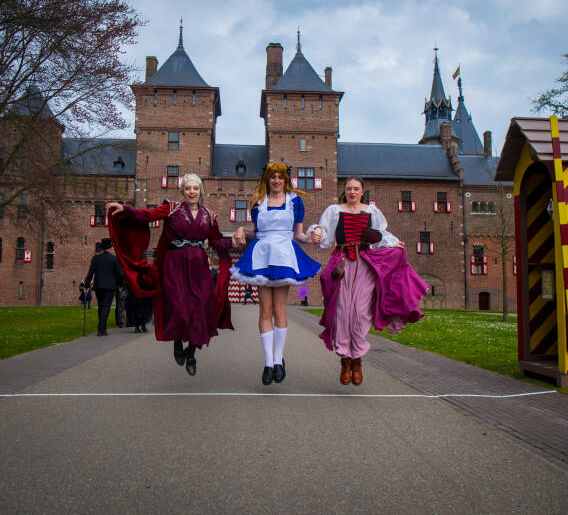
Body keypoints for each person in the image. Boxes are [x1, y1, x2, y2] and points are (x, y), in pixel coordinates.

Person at [106, 173, 238, 376]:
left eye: (195, 188)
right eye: (188, 188)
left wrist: (234, 241)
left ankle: (191, 353)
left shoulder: (209, 216)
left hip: (199, 267)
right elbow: (146, 216)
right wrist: (126, 209)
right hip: (175, 265)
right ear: (183, 191)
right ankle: (177, 344)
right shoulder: (172, 208)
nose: (192, 192)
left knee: (200, 310)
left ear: (201, 191)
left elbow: (216, 241)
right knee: (179, 308)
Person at [308, 176, 429, 385]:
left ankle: (357, 360)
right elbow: (324, 233)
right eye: (349, 188)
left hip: (365, 265)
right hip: (342, 263)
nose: (352, 192)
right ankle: (345, 359)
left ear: (362, 191)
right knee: (342, 311)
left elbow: (379, 235)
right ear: (344, 191)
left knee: (361, 312)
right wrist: (317, 230)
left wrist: (392, 243)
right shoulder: (334, 211)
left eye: (356, 188)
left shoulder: (372, 212)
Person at [232, 161, 321, 385]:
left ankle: (279, 359)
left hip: (283, 255)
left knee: (279, 308)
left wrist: (311, 239)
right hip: (262, 254)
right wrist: (242, 229)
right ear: (267, 179)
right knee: (265, 309)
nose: (277, 180)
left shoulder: (295, 201)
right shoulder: (258, 202)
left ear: (286, 179)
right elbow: (257, 232)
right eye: (273, 176)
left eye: (281, 177)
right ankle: (268, 363)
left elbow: (298, 234)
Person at [83, 237, 125, 336]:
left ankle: (103, 328)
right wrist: (121, 285)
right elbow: (119, 273)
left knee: (101, 307)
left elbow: (90, 273)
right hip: (110, 287)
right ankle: (101, 329)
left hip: (98, 286)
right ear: (110, 247)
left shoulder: (95, 258)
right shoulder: (114, 259)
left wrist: (86, 286)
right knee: (106, 307)